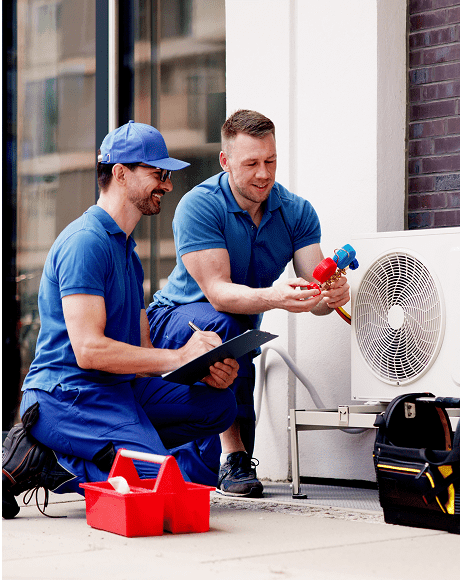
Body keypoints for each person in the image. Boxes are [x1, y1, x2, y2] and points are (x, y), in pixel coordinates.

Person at [2, 121, 240, 519]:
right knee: (159, 497)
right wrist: (179, 356)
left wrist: (199, 370)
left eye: (167, 175)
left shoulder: (128, 253)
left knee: (218, 406)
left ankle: (60, 452)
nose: (166, 184)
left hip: (118, 391)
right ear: (120, 173)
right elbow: (89, 350)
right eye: (157, 173)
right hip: (69, 395)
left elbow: (144, 352)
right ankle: (57, 460)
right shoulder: (85, 242)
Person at [146, 109, 350, 497]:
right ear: (225, 161)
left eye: (270, 161)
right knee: (224, 323)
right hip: (174, 321)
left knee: (204, 478)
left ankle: (224, 459)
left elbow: (316, 291)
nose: (263, 173)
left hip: (236, 337)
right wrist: (276, 297)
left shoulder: (297, 212)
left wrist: (333, 294)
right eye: (252, 163)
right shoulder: (199, 206)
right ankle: (233, 453)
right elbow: (219, 293)